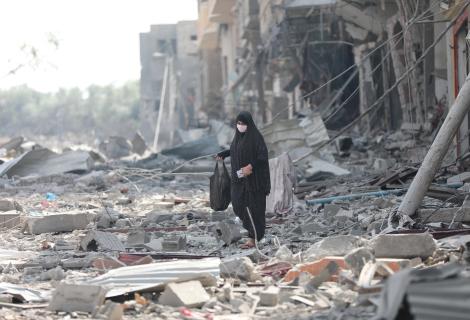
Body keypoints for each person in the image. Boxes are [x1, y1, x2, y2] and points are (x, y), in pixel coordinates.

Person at [217, 111, 271, 249]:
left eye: (243, 123)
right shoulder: (238, 138)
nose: (240, 126)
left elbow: (262, 157)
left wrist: (251, 166)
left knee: (254, 209)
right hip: (238, 180)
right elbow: (235, 150)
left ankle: (253, 238)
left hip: (254, 182)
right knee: (238, 205)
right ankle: (251, 234)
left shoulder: (256, 138)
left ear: (249, 124)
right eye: (238, 123)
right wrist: (224, 154)